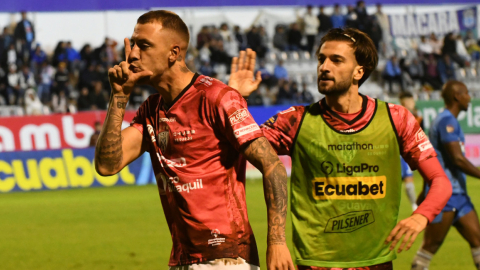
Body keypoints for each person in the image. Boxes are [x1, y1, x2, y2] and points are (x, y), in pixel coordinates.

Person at [231, 27, 452, 269]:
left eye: (336, 60)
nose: (324, 66)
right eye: (321, 59)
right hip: (316, 264)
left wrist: (421, 216)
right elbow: (236, 143)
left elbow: (440, 180)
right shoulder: (295, 121)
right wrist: (235, 98)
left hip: (376, 262)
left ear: (359, 71)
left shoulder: (396, 118)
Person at [94, 10, 293, 270]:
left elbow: (273, 166)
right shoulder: (151, 110)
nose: (132, 54)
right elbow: (107, 165)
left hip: (227, 259)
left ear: (173, 53)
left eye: (144, 46)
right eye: (133, 45)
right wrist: (119, 96)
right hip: (183, 259)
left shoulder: (217, 98)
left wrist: (277, 242)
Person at [411, 81, 480, 270]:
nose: (470, 98)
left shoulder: (449, 120)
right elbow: (457, 159)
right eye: (466, 93)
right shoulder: (446, 121)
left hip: (459, 195)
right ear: (457, 96)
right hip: (444, 196)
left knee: (478, 241)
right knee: (430, 246)